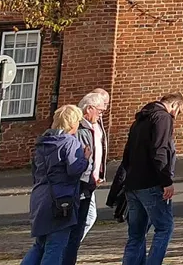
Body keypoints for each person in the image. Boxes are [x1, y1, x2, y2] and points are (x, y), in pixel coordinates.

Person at [120, 93, 183, 265]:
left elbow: (127, 153)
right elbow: (159, 150)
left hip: (132, 183)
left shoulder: (139, 120)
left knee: (136, 234)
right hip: (151, 182)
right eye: (179, 112)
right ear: (174, 106)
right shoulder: (163, 118)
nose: (176, 116)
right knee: (164, 227)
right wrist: (166, 182)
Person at [23, 105, 90, 265]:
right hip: (61, 200)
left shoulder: (42, 143)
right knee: (56, 245)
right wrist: (85, 159)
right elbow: (74, 169)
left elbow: (35, 171)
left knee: (40, 245)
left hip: (40, 196)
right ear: (73, 123)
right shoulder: (70, 142)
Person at [64, 88, 109, 265]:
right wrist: (90, 178)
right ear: (89, 108)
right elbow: (82, 160)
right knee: (75, 228)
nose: (102, 114)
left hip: (88, 183)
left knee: (82, 223)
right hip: (82, 185)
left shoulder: (92, 126)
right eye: (100, 110)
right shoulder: (81, 128)